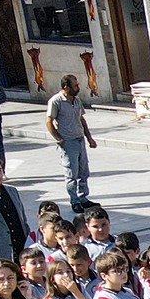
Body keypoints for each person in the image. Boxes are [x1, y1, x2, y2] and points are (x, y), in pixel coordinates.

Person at [45, 75, 96, 203]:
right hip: (68, 142)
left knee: (83, 171)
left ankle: (83, 197)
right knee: (71, 174)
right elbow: (48, 121)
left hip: (79, 139)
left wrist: (89, 138)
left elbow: (81, 119)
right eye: (75, 86)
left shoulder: (77, 100)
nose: (78, 88)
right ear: (66, 87)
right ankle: (74, 200)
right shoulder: (56, 101)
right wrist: (58, 138)